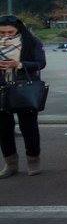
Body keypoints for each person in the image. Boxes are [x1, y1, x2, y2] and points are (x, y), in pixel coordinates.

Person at [0, 15, 46, 178]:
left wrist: (18, 64)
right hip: (2, 88)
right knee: (4, 128)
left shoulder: (31, 42)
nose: (6, 35)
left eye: (10, 32)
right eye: (2, 33)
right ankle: (10, 164)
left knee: (29, 127)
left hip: (24, 88)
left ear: (18, 29)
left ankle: (33, 160)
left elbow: (40, 63)